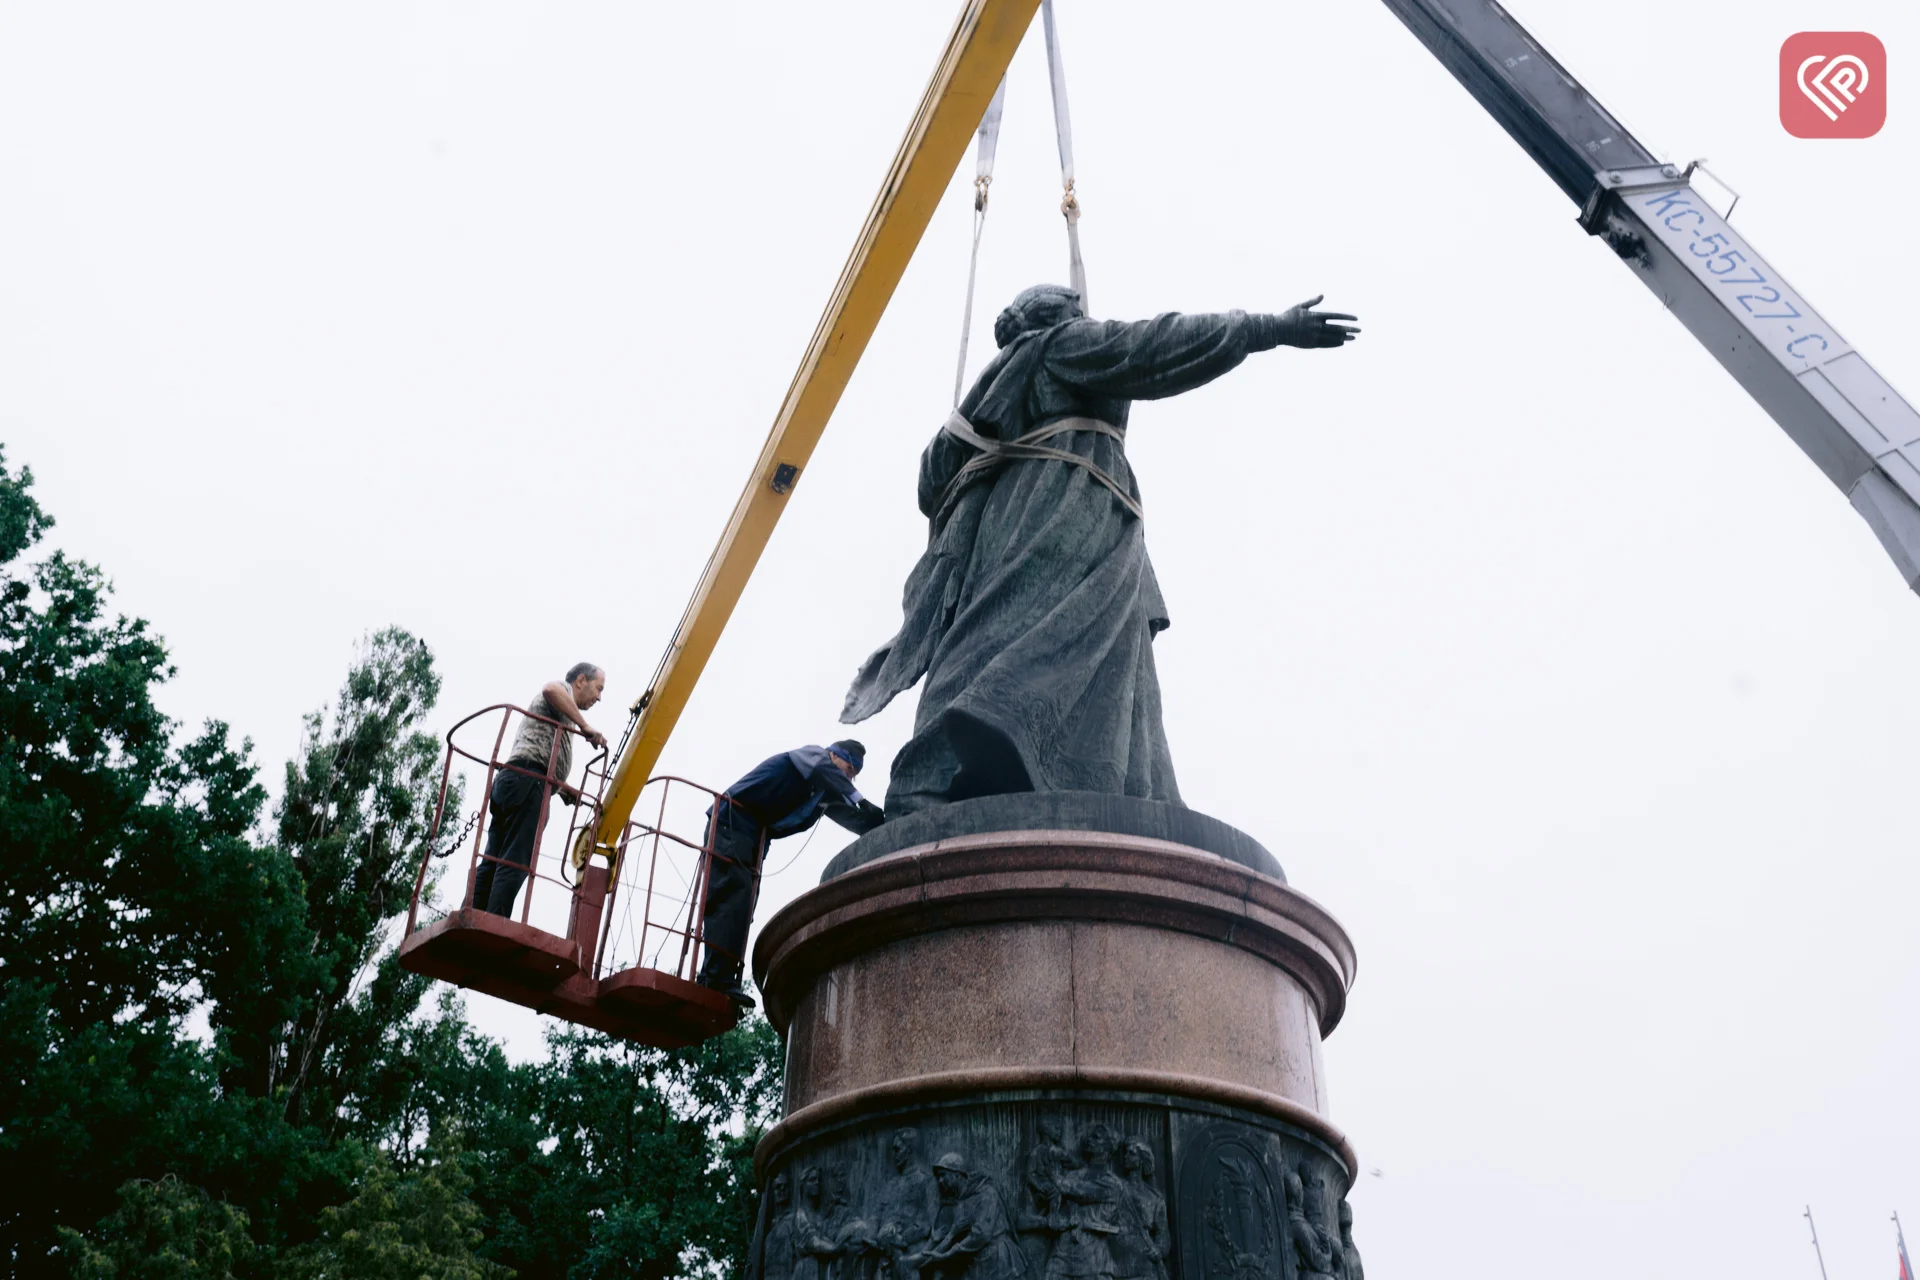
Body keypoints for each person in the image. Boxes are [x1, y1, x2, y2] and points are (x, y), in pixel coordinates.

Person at [842, 283, 1360, 816]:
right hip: (1064, 507)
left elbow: (933, 475)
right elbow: (1150, 345)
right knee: (1029, 635)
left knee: (996, 629)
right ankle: (947, 764)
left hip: (1015, 517)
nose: (1085, 317)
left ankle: (944, 775)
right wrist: (1266, 328)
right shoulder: (1058, 347)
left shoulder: (993, 383)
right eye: (1077, 311)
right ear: (1057, 316)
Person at [696, 739, 884, 1004]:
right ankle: (715, 980)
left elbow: (850, 816)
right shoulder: (813, 757)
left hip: (754, 835)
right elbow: (828, 773)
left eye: (854, 775)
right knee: (731, 897)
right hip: (733, 820)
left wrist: (879, 824)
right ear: (833, 755)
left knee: (743, 906)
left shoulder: (821, 792)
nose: (849, 776)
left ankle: (720, 978)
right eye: (849, 768)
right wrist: (860, 800)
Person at [470, 663, 608, 917]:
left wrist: (564, 788)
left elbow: (540, 750)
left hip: (514, 779)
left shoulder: (563, 711)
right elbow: (549, 689)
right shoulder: (562, 691)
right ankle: (492, 925)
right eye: (598, 688)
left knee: (494, 858)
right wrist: (585, 727)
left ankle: (474, 915)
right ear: (580, 680)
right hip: (529, 782)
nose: (599, 697)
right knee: (515, 861)